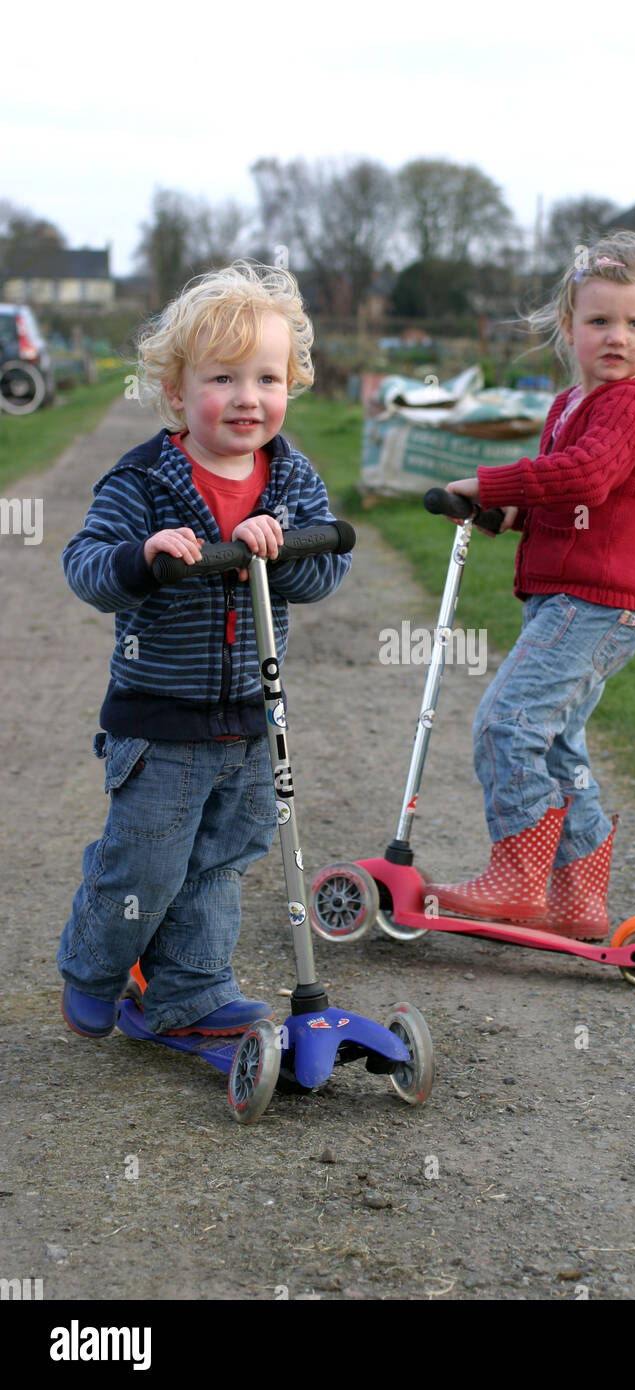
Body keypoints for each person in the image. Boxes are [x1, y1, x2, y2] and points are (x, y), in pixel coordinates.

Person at [58, 261, 350, 1037]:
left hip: (255, 719)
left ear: (291, 385)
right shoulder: (146, 479)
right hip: (161, 721)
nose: (248, 398)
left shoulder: (291, 478)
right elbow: (86, 567)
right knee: (146, 867)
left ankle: (189, 993)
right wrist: (144, 555)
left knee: (221, 863)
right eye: (223, 378)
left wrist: (285, 550)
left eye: (268, 378)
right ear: (177, 392)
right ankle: (93, 962)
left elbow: (326, 573)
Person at [428, 232, 635, 939]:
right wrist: (505, 510)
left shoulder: (633, 404)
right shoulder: (572, 404)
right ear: (569, 328)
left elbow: (587, 476)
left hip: (595, 602)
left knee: (507, 722)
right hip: (574, 600)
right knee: (558, 742)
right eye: (599, 321)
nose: (617, 337)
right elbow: (568, 500)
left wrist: (486, 478)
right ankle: (578, 896)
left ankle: (518, 873)